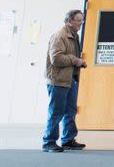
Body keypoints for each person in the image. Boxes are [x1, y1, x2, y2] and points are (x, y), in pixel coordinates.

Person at [42, 9, 87, 152]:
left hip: (70, 80)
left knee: (70, 111)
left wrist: (79, 63)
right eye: (79, 20)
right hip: (58, 81)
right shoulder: (59, 36)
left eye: (82, 19)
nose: (81, 22)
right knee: (56, 112)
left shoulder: (74, 36)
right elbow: (56, 59)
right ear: (69, 21)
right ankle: (48, 142)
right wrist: (76, 60)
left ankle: (68, 140)